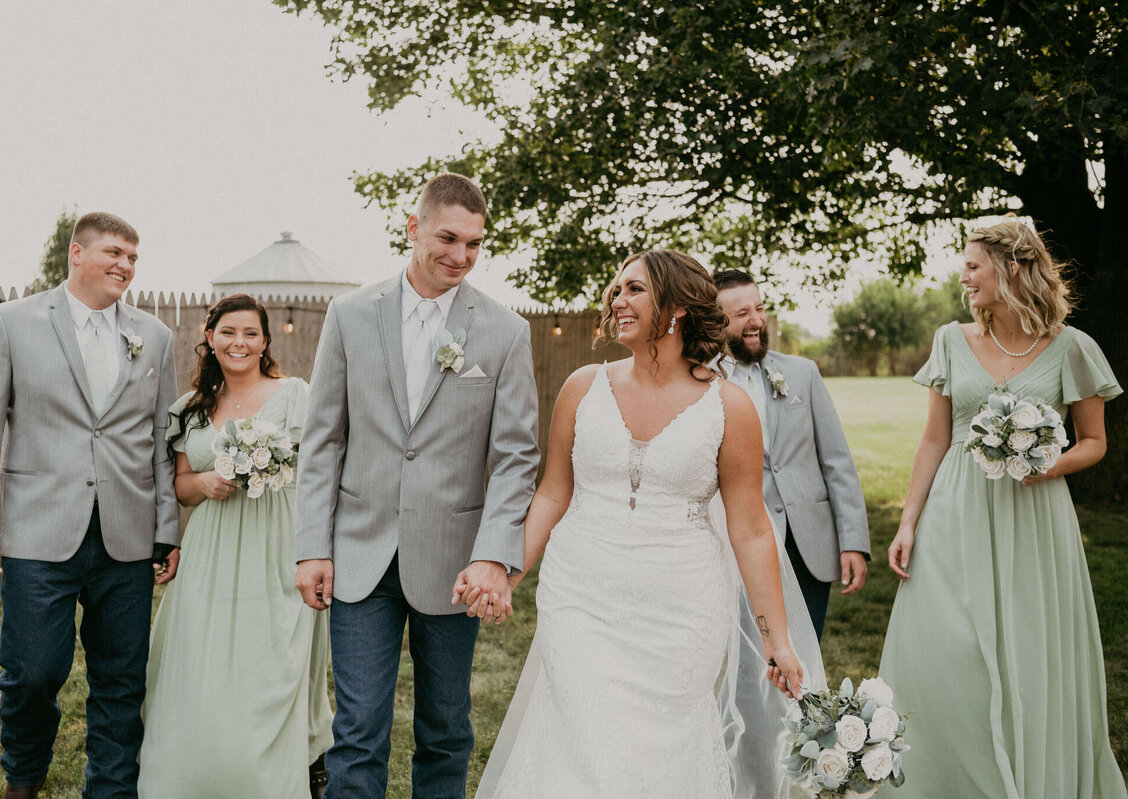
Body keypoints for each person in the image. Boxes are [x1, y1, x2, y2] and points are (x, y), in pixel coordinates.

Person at [474, 250, 824, 798]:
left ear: (679, 306)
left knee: (660, 746)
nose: (618, 300)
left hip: (682, 606)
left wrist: (775, 638)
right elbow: (551, 494)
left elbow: (751, 529)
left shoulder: (729, 407)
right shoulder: (582, 386)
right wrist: (506, 572)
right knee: (582, 733)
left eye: (634, 289)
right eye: (616, 290)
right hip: (579, 595)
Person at [294, 173, 540, 799]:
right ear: (414, 229)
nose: (460, 256)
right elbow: (323, 439)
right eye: (449, 238)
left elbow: (516, 457)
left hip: (455, 560)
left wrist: (491, 554)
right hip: (359, 555)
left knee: (445, 728)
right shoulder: (350, 314)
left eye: (475, 244)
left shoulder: (505, 331)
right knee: (357, 731)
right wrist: (311, 547)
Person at [880, 220, 1127, 797]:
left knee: (1030, 653)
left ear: (1010, 268)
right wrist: (909, 520)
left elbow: (1094, 441)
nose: (963, 276)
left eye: (972, 265)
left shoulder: (1074, 347)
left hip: (1034, 518)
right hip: (953, 512)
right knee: (950, 650)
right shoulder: (950, 340)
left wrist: (1048, 464)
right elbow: (934, 440)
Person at [0, 212, 180, 799]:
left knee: (122, 679)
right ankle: (22, 779)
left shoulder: (154, 335)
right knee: (32, 672)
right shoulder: (12, 322)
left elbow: (160, 443)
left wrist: (168, 530)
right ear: (75, 254)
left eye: (133, 256)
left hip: (126, 536)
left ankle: (110, 789)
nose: (125, 265)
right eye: (113, 252)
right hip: (38, 530)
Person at [138, 294, 333, 799]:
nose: (239, 342)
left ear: (266, 341)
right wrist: (203, 484)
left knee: (270, 661)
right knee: (201, 659)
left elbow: (321, 472)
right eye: (228, 332)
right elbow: (179, 486)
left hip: (278, 545)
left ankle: (271, 776)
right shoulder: (188, 409)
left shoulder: (296, 395)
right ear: (209, 336)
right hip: (213, 548)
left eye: (250, 333)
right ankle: (195, 772)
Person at [714, 269, 869, 639]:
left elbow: (837, 462)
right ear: (716, 321)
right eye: (741, 314)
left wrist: (853, 542)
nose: (756, 322)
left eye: (759, 309)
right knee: (750, 666)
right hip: (738, 547)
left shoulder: (802, 372)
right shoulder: (702, 383)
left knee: (806, 656)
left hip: (808, 543)